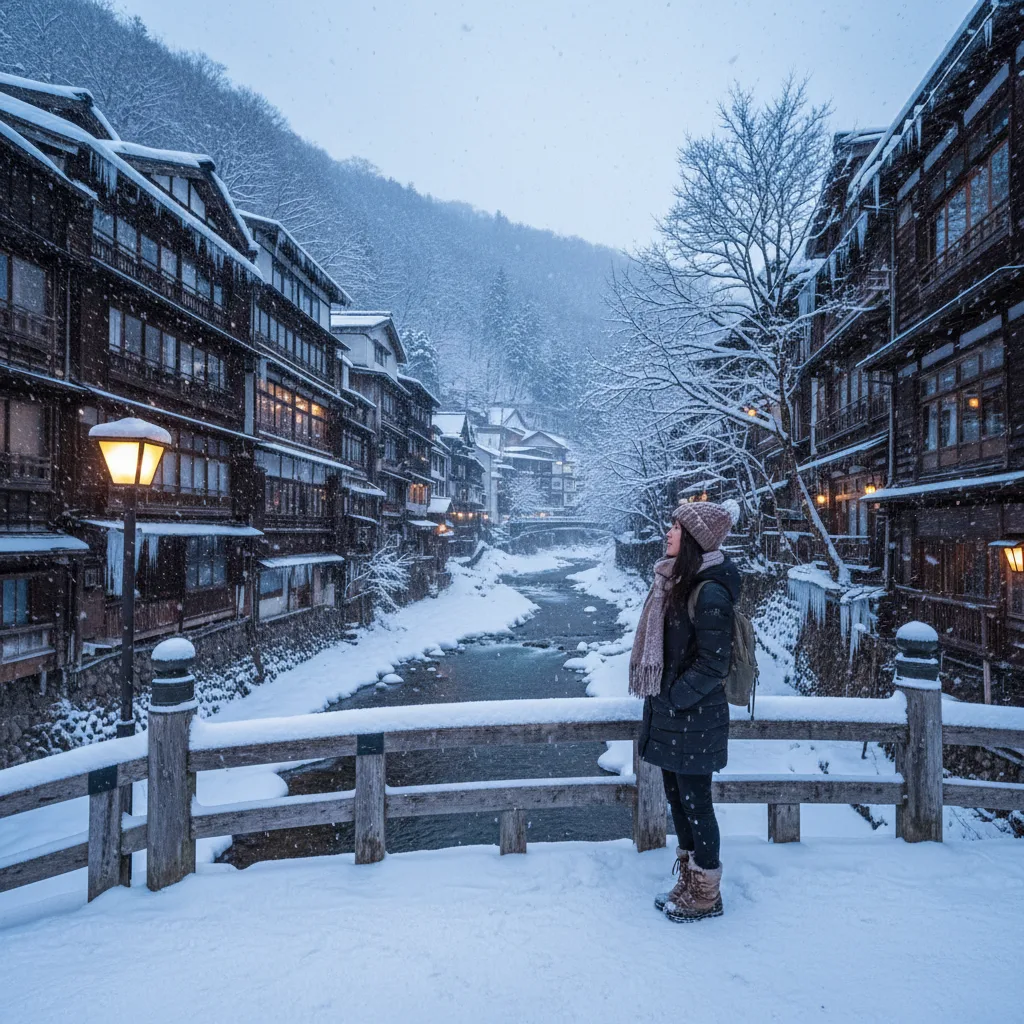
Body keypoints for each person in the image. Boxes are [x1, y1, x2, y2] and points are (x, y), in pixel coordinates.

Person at [630, 500, 740, 922]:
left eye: (676, 526)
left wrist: (674, 697)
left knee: (697, 804)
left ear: (694, 538)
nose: (668, 531)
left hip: (695, 719)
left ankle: (707, 892)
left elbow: (714, 663)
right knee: (679, 802)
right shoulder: (676, 581)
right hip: (676, 720)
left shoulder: (709, 590)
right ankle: (690, 881)